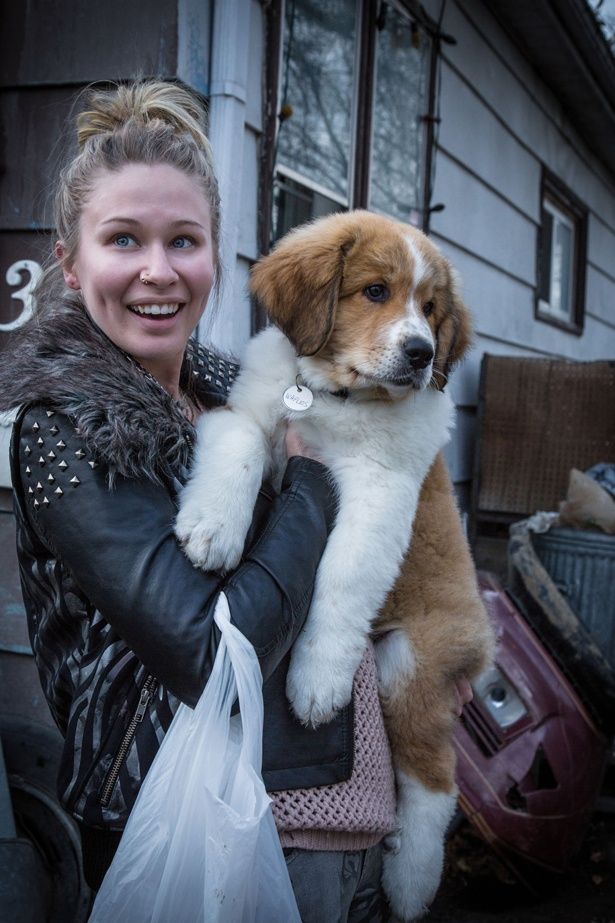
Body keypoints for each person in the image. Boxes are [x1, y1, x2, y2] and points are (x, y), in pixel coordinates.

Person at [2, 79, 473, 921]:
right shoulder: (62, 429)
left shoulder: (233, 384)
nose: (158, 270)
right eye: (122, 239)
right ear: (72, 263)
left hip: (325, 793)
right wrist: (317, 481)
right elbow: (214, 654)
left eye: (184, 239)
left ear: (216, 254)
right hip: (176, 810)